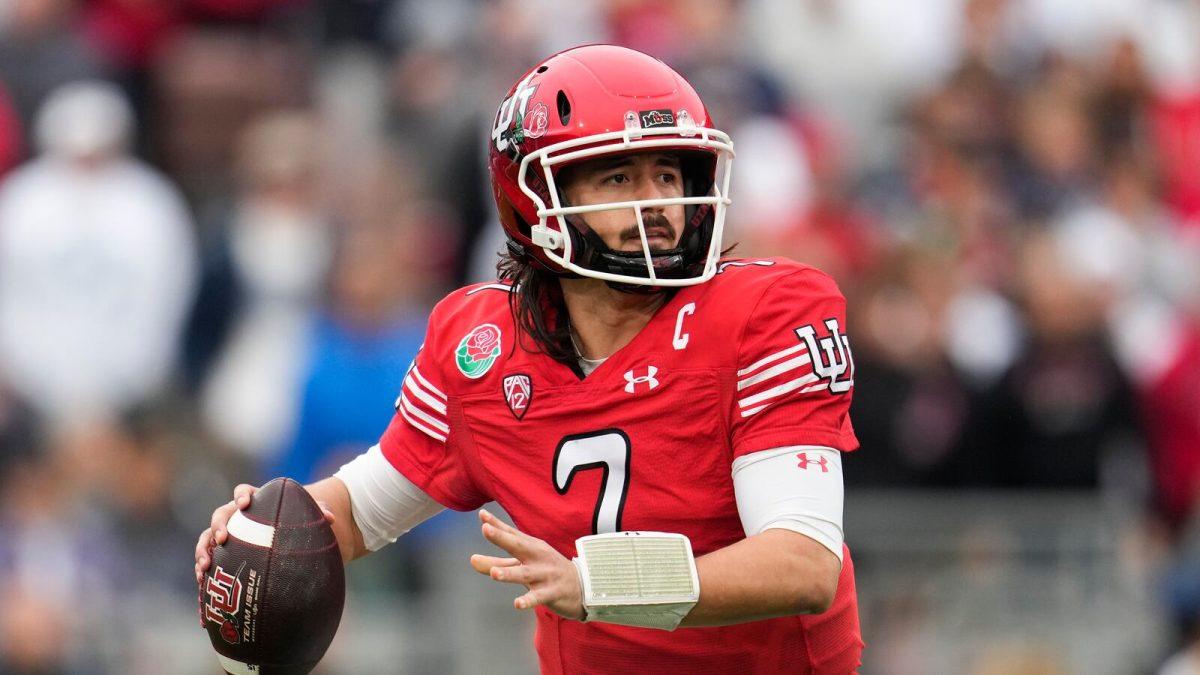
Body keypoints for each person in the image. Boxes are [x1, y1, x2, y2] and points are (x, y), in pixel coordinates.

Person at [196, 44, 864, 674]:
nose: (657, 200)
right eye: (617, 175)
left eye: (668, 171)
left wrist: (596, 580)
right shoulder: (484, 346)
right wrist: (260, 533)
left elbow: (803, 562)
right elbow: (357, 512)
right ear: (536, 197)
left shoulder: (767, 313)